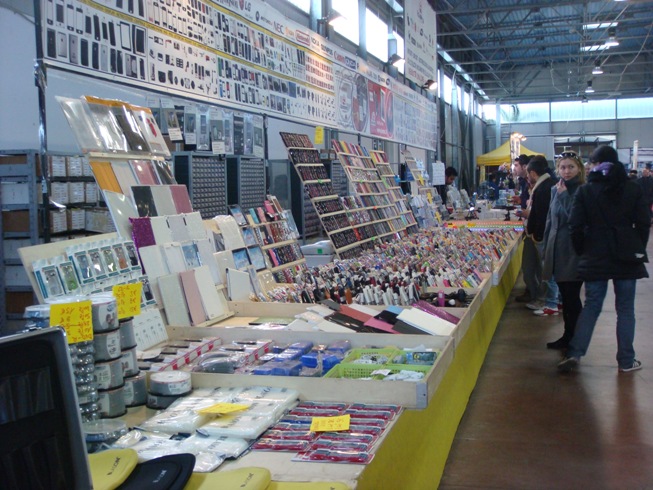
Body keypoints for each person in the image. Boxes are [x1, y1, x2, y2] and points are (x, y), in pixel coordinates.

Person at [558, 145, 650, 373]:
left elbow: (575, 226)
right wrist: (635, 244)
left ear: (596, 165)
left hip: (595, 253)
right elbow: (644, 222)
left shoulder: (586, 191)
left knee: (592, 306)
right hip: (626, 255)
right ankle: (626, 361)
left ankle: (575, 353)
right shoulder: (632, 188)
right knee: (626, 309)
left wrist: (582, 250)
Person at [541, 152, 585, 348]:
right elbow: (550, 219)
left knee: (571, 297)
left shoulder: (582, 191)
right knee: (565, 298)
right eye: (563, 167)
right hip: (557, 249)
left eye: (571, 167)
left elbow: (575, 218)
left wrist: (564, 196)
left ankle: (575, 339)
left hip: (573, 251)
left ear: (579, 169)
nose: (566, 171)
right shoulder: (556, 189)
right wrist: (546, 247)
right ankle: (568, 336)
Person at [522, 155, 559, 313]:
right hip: (543, 235)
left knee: (546, 271)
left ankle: (548, 301)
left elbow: (542, 216)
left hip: (542, 236)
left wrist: (536, 235)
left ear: (532, 173)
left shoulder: (543, 188)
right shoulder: (548, 184)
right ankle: (551, 300)